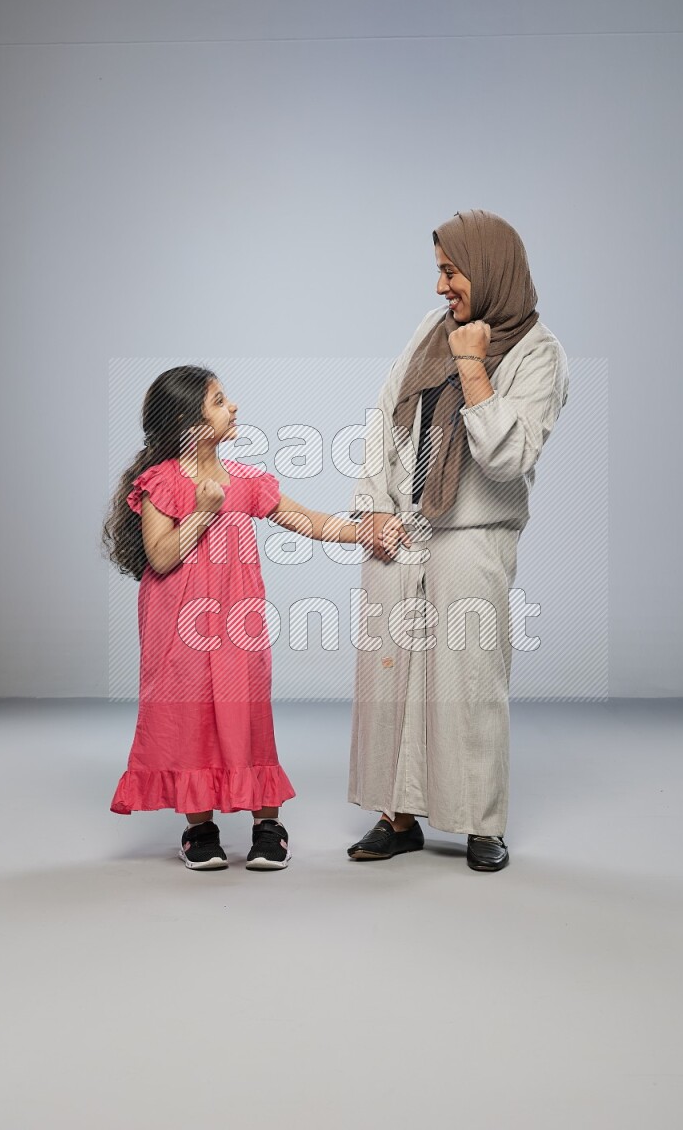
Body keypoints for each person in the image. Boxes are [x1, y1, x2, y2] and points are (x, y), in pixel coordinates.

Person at [347, 210, 570, 871]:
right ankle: (399, 817)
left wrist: (473, 365)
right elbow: (386, 416)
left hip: (473, 534)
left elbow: (508, 456)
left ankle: (480, 823)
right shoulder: (430, 330)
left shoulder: (540, 354)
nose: (441, 287)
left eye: (451, 271)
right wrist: (370, 511)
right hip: (403, 526)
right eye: (438, 272)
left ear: (490, 268)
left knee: (468, 682)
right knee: (391, 679)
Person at [102, 365, 359, 871]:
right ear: (188, 421)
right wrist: (201, 510)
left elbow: (310, 522)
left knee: (248, 715)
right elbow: (160, 557)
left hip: (236, 629)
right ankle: (200, 829)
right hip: (176, 632)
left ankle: (269, 825)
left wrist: (368, 532)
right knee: (188, 719)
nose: (233, 406)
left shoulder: (246, 482)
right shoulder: (161, 483)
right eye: (219, 401)